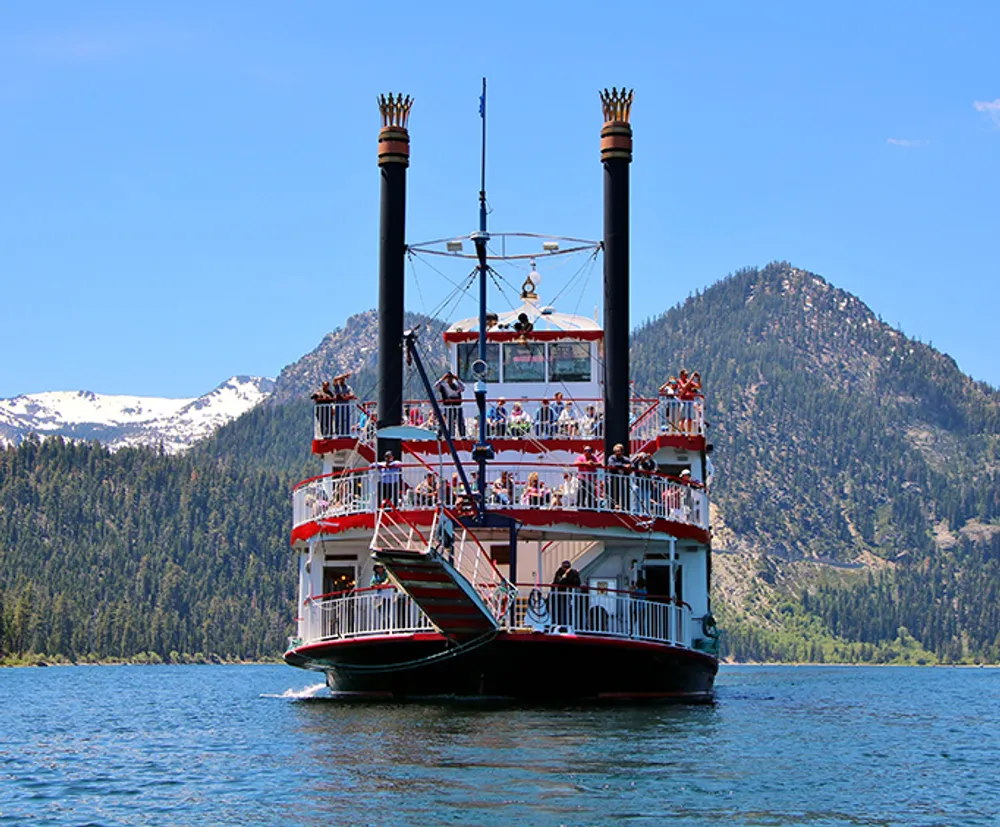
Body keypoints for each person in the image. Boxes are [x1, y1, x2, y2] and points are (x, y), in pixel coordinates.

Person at [551, 560, 582, 626]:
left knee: (567, 610)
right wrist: (564, 576)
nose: (565, 569)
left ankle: (566, 624)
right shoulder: (559, 572)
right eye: (564, 567)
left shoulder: (572, 573)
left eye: (567, 567)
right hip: (558, 595)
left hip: (568, 595)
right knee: (558, 610)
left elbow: (576, 583)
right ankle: (557, 623)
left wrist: (576, 575)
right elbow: (557, 581)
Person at [435, 371, 466, 437]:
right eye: (448, 378)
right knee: (450, 422)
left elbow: (463, 388)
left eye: (451, 378)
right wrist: (442, 378)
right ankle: (452, 436)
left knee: (460, 422)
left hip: (457, 406)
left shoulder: (456, 386)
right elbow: (436, 385)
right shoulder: (443, 386)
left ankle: (463, 436)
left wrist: (457, 379)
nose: (449, 380)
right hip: (448, 407)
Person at [606, 442, 632, 510]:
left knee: (624, 494)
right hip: (613, 479)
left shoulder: (625, 459)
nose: (618, 453)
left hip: (623, 480)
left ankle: (624, 507)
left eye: (619, 451)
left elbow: (631, 465)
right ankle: (611, 507)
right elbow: (612, 465)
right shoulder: (611, 457)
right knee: (613, 494)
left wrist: (629, 467)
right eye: (616, 451)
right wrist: (624, 466)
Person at [332, 373, 355, 437]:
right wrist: (344, 375)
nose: (341, 380)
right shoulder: (337, 386)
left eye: (342, 379)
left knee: (346, 420)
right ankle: (338, 434)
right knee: (338, 420)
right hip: (338, 406)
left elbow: (352, 394)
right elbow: (334, 379)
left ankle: (346, 434)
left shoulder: (347, 387)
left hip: (345, 406)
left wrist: (346, 396)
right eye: (340, 379)